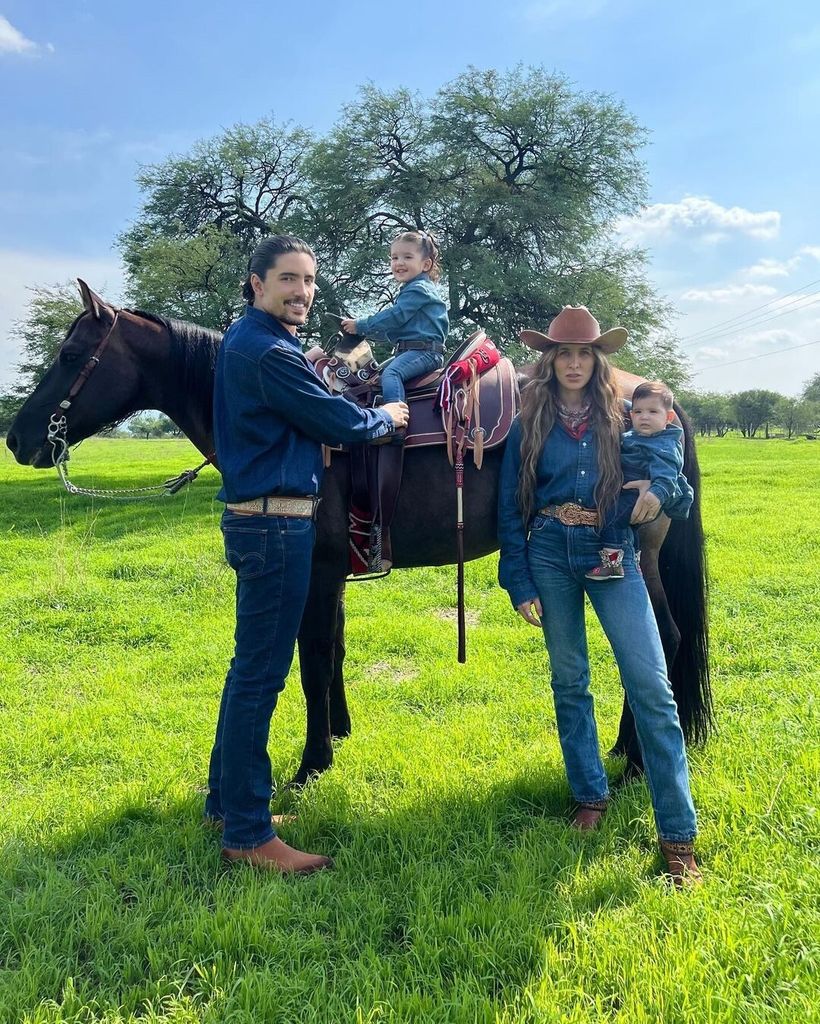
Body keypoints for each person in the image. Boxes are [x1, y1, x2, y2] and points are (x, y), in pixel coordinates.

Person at [205, 235, 409, 873]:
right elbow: (339, 422)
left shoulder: (259, 344)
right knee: (261, 676)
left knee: (250, 671)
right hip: (275, 526)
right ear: (256, 284)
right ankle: (246, 832)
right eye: (289, 279)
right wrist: (389, 418)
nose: (302, 291)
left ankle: (227, 800)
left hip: (263, 523)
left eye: (310, 281)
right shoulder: (265, 350)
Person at [497, 305, 701, 886]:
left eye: (585, 353)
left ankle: (678, 834)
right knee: (570, 681)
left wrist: (661, 492)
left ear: (598, 360)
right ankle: (591, 793)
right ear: (550, 359)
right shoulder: (528, 423)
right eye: (564, 353)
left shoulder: (625, 421)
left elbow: (677, 490)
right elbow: (512, 507)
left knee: (650, 687)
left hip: (611, 553)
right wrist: (518, 578)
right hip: (549, 553)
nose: (575, 363)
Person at [586, 380, 694, 580]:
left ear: (668, 417)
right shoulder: (637, 436)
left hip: (639, 495)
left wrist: (655, 494)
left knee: (611, 518)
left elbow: (668, 473)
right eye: (638, 412)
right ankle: (635, 560)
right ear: (630, 414)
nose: (644, 417)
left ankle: (612, 564)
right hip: (631, 490)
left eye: (653, 412)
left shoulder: (664, 444)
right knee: (631, 529)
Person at [341, 230, 448, 422]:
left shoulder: (419, 289)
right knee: (376, 376)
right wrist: (364, 334)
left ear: (426, 264)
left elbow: (395, 317)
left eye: (407, 257)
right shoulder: (412, 291)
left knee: (392, 373)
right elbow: (394, 329)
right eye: (394, 257)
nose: (399, 262)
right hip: (412, 351)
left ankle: (395, 421)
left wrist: (361, 325)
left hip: (425, 352)